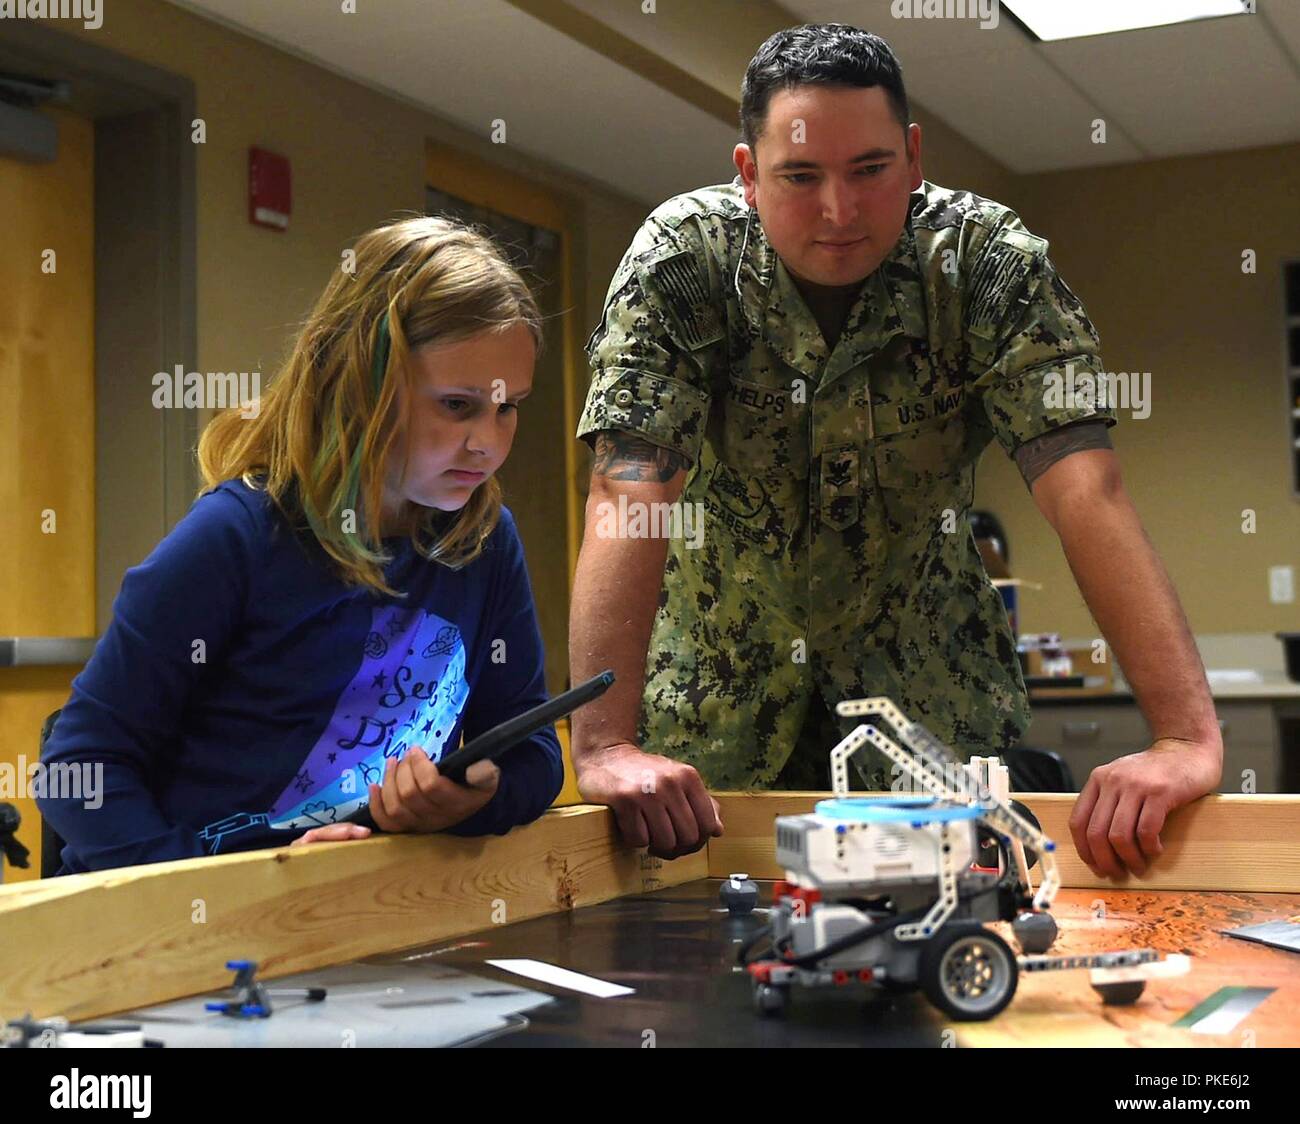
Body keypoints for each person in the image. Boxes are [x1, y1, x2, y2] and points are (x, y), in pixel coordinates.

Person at [568, 24, 1222, 879]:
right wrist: (607, 742)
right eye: (800, 177)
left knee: (946, 969)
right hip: (712, 730)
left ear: (913, 157)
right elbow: (629, 491)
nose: (838, 211)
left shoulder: (985, 266)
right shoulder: (686, 263)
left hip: (930, 719)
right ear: (747, 173)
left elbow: (1084, 489)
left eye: (869, 170)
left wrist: (1185, 736)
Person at [37, 215, 563, 872]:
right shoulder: (234, 537)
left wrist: (473, 800)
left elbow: (532, 752)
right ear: (362, 382)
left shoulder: (487, 540)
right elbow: (79, 768)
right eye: (457, 405)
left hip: (336, 914)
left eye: (508, 405)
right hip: (187, 931)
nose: (488, 440)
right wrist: (210, 903)